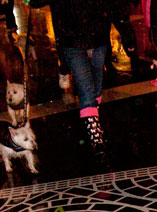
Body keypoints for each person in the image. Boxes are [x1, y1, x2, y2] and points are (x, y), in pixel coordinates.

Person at [30, 0, 111, 149]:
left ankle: (94, 118)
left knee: (96, 87)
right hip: (72, 41)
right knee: (86, 89)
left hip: (98, 37)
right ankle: (96, 138)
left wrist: (126, 31)